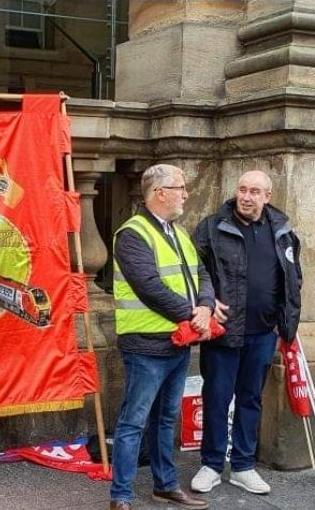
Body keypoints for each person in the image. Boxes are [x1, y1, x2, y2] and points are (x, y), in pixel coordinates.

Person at [191, 171, 302, 495]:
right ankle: (211, 464)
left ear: (267, 196)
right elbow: (193, 272)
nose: (246, 196)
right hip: (223, 332)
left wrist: (287, 325)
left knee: (251, 399)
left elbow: (292, 279)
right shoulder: (212, 227)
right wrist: (207, 302)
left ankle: (243, 466)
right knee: (216, 397)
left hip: (263, 332)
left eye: (255, 191)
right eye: (242, 189)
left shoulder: (282, 230)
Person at [109, 164, 212, 510]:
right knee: (133, 421)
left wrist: (206, 307)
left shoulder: (178, 232)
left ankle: (164, 485)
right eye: (180, 187)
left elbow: (203, 275)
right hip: (146, 346)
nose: (185, 194)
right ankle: (120, 495)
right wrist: (193, 314)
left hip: (178, 342)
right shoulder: (132, 233)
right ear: (159, 193)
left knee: (166, 418)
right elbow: (149, 287)